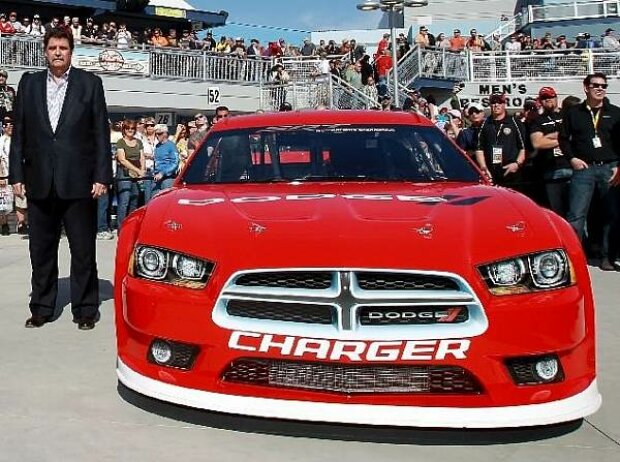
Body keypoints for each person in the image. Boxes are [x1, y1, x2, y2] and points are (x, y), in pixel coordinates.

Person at [9, 28, 112, 330]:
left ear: (71, 51)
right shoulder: (28, 84)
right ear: (44, 50)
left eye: (63, 47)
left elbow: (100, 135)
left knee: (83, 251)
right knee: (41, 251)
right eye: (52, 47)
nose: (57, 52)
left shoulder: (90, 84)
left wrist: (102, 175)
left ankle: (85, 309)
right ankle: (41, 307)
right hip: (39, 180)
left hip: (79, 182)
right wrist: (16, 174)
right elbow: (20, 135)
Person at [559, 73, 620, 271]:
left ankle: (607, 257)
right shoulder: (573, 112)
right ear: (586, 87)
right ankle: (573, 259)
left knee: (611, 214)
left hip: (610, 168)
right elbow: (563, 139)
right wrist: (572, 159)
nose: (600, 88)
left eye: (603, 85)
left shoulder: (615, 112)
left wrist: (619, 168)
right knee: (576, 215)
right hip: (583, 168)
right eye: (595, 85)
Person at [529, 87, 572, 216]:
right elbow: (537, 143)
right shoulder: (538, 121)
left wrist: (549, 137)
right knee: (558, 213)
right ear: (540, 101)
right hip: (552, 171)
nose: (548, 100)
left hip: (573, 168)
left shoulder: (567, 115)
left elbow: (575, 136)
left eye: (550, 97)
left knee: (577, 212)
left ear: (556, 98)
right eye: (544, 98)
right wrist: (563, 139)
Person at [475, 93, 527, 189]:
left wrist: (517, 164)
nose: (496, 105)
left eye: (499, 102)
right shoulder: (484, 124)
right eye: (493, 102)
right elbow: (479, 148)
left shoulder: (514, 122)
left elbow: (523, 147)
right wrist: (483, 168)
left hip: (511, 171)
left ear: (504, 103)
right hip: (491, 172)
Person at [116, 119, 144, 230]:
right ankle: (121, 227)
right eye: (128, 128)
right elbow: (122, 160)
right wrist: (137, 170)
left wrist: (142, 170)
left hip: (137, 173)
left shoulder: (138, 142)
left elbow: (142, 157)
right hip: (124, 174)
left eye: (132, 128)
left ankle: (131, 225)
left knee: (134, 199)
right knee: (124, 201)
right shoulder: (121, 142)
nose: (130, 130)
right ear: (124, 129)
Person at [152, 124, 179, 192]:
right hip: (156, 177)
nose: (157, 136)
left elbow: (175, 163)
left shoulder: (171, 146)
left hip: (168, 179)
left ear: (165, 134)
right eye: (156, 134)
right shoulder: (157, 146)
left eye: (159, 133)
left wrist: (162, 173)